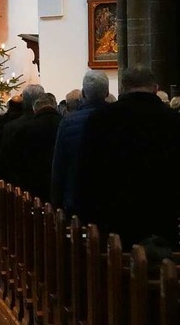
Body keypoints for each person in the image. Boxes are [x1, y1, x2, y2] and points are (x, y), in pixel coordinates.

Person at [77, 66, 180, 248]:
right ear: (155, 88)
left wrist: (88, 216)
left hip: (114, 216)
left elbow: (87, 172)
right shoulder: (173, 120)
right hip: (161, 214)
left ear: (122, 88)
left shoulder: (101, 119)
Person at [51, 70, 109, 212]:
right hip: (109, 196)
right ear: (107, 93)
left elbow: (59, 163)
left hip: (75, 196)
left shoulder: (68, 122)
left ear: (83, 94)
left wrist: (56, 202)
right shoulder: (118, 118)